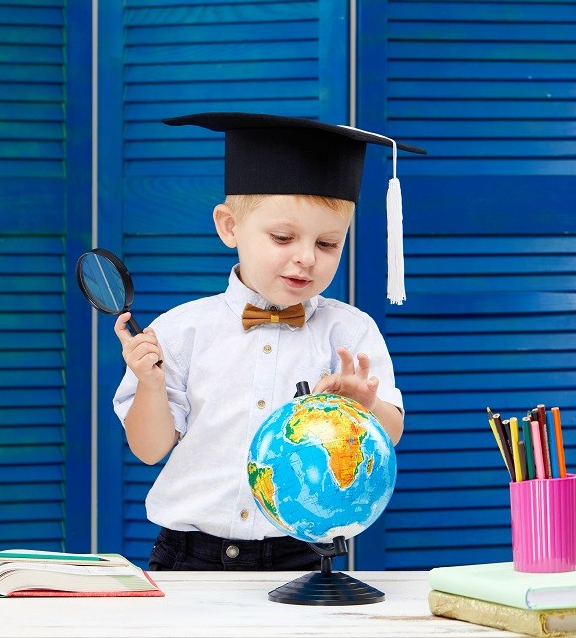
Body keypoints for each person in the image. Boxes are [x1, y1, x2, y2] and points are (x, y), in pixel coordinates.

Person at [111, 112, 425, 572]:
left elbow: (390, 435)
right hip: (188, 556)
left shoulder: (351, 333)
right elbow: (149, 449)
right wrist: (150, 386)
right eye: (283, 237)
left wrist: (366, 405)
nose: (305, 258)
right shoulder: (181, 330)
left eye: (328, 244)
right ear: (229, 226)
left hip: (301, 556)